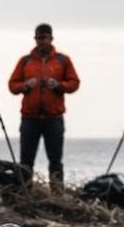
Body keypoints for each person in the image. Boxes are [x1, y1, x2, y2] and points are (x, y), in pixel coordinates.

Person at [7, 23, 80, 192]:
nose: (41, 42)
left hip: (53, 119)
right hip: (30, 118)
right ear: (35, 39)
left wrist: (59, 85)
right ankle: (24, 193)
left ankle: (57, 193)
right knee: (26, 160)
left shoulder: (63, 60)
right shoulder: (25, 61)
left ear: (51, 38)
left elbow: (74, 83)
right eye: (38, 38)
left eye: (44, 38)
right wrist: (25, 85)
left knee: (55, 160)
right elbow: (12, 85)